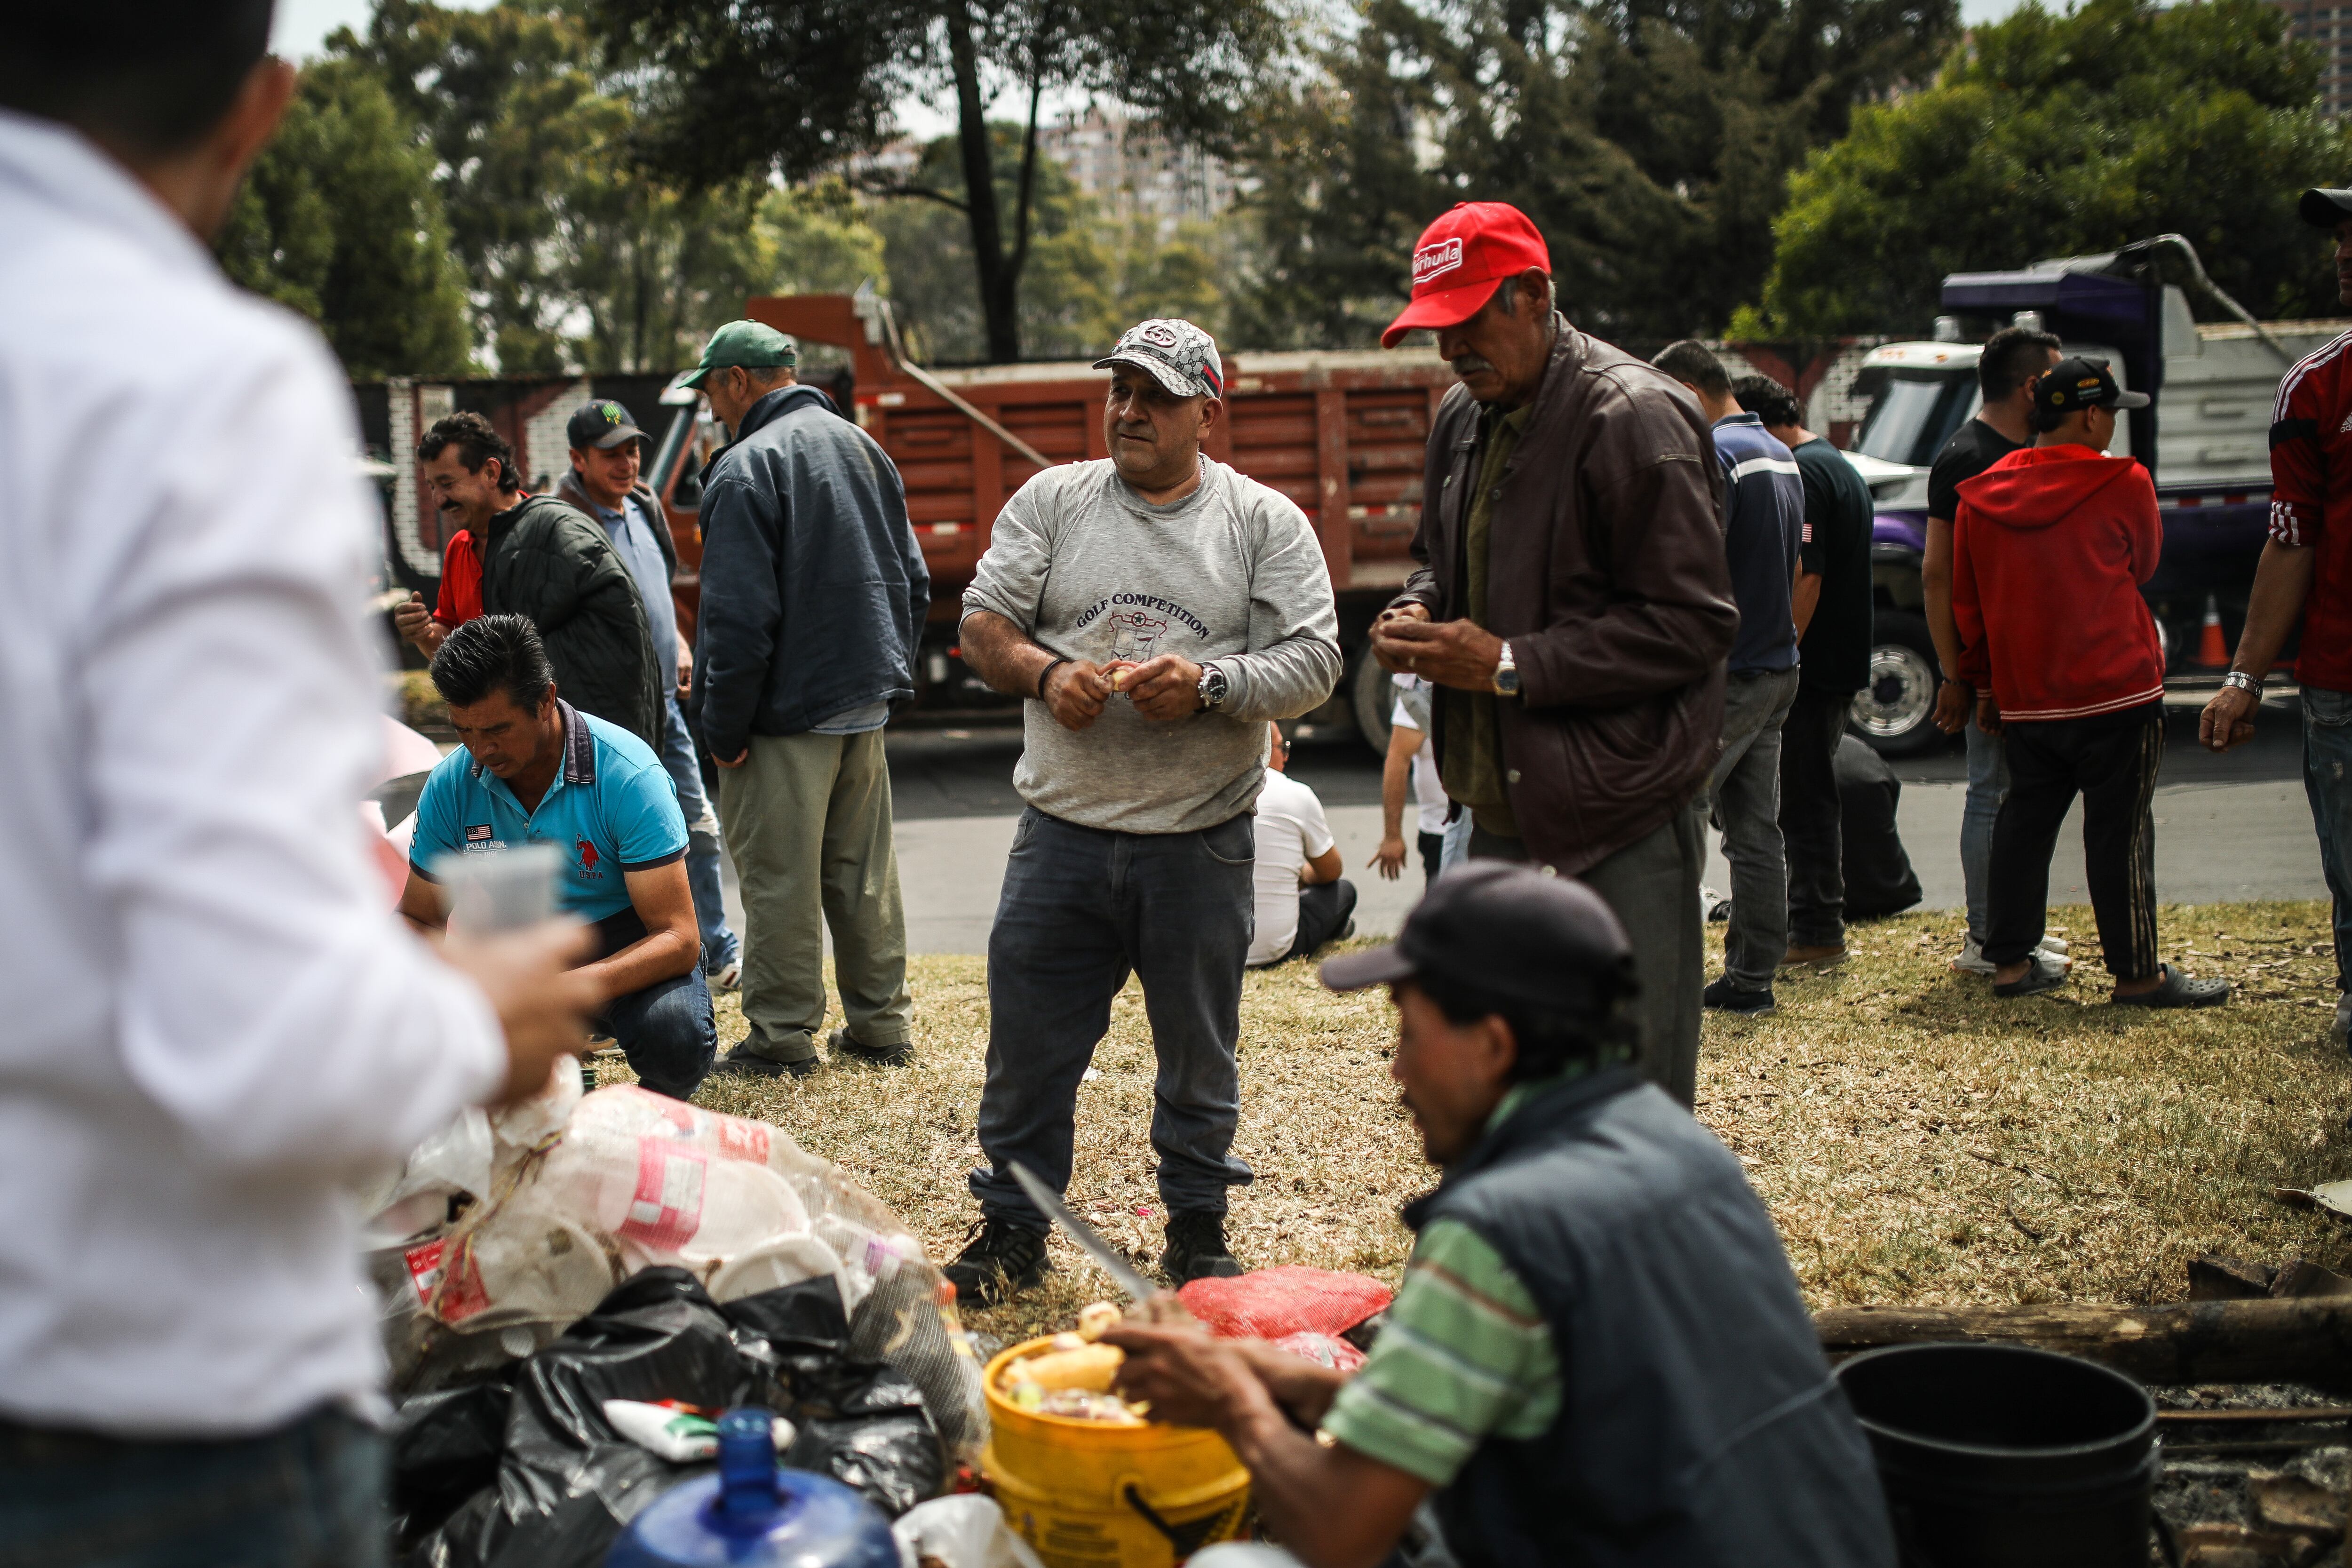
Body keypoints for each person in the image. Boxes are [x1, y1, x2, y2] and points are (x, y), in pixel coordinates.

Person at [0, 9, 595, 1561]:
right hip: (130, 1406)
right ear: (261, 112)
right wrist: (481, 1022)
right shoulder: (181, 378)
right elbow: (250, 1033)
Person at [1105, 864, 1897, 1568]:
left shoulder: (1498, 1230)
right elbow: (1527, 1403)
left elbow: (1341, 1533)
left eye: (1410, 1034)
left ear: (1492, 1045)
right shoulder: (1680, 1149)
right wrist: (1276, 1376)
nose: (1398, 1072)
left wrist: (1229, 1399)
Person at [950, 317, 1342, 1302]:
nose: (1128, 409)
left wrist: (1211, 682)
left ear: (1208, 413)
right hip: (1062, 837)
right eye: (1119, 389)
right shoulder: (1052, 499)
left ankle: (1197, 1231)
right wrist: (1045, 675)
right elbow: (981, 623)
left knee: (1199, 1055)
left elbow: (1316, 662)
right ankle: (1011, 1228)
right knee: (1030, 1052)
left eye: (1155, 395)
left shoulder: (1262, 523)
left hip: (1199, 841)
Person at [1367, 202, 1736, 1107]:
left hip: (1618, 807)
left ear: (1533, 296)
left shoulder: (1635, 415)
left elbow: (1693, 623)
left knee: (1631, 1080)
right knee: (1501, 1066)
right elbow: (1442, 560)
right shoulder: (1464, 414)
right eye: (1435, 330)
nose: (1450, 349)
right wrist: (1418, 608)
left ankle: (1630, 1248)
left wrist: (1508, 662)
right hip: (1495, 805)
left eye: (1467, 322)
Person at [689, 321, 930, 1078]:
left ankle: (782, 1039)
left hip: (784, 713)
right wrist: (886, 670)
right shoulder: (865, 448)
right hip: (864, 699)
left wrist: (721, 727)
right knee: (863, 872)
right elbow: (914, 582)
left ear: (736, 380)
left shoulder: (742, 469)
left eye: (710, 390)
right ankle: (880, 1027)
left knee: (780, 877)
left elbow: (735, 623)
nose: (712, 407)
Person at [1954, 357, 2228, 1007]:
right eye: (2111, 414)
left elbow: (1971, 604)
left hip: (2028, 696)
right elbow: (2147, 562)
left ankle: (2011, 966)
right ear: (2093, 414)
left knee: (2023, 825)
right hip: (2117, 691)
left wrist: (1984, 686)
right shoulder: (2124, 480)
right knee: (2121, 834)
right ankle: (2138, 975)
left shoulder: (1981, 493)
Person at [401, 615, 720, 1094]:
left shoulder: (628, 774)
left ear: (546, 699)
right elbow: (418, 919)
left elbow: (676, 936)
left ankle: (630, 1113)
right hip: (509, 947)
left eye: (497, 729)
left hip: (623, 940)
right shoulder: (451, 783)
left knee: (674, 1037)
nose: (480, 749)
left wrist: (573, 988)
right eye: (463, 730)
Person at [2202, 186, 2352, 1046]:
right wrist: (2242, 677)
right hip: (2340, 678)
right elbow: (2291, 540)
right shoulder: (2314, 389)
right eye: (2339, 238)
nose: (2344, 253)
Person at [553, 398, 743, 990]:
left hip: (666, 705)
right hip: (604, 718)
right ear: (577, 459)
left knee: (698, 825)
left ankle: (713, 949)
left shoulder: (643, 508)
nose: (627, 462)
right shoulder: (560, 523)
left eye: (633, 449)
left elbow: (657, 593)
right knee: (612, 846)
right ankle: (636, 961)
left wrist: (680, 644)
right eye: (611, 454)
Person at [1654, 342, 1804, 1017]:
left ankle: (1674, 976)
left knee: (1674, 817)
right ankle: (1751, 976)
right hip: (1777, 664)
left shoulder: (1716, 458)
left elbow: (1692, 569)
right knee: (1755, 830)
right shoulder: (1778, 451)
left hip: (1730, 674)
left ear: (1690, 389)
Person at [1923, 324, 2070, 978]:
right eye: (2057, 380)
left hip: (2018, 663)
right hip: (1988, 667)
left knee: (2016, 795)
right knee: (1990, 791)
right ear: (2031, 386)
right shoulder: (1970, 456)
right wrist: (1957, 674)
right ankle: (1987, 938)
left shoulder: (2014, 447)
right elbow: (1938, 573)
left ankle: (2013, 930)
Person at [404, 410, 667, 748]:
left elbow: (611, 648)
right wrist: (424, 634)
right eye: (432, 487)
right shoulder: (460, 549)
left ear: (490, 471)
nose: (439, 500)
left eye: (448, 484)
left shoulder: (549, 533)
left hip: (573, 746)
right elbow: (469, 664)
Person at [1735, 372, 1877, 965]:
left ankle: (1817, 930)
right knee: (1803, 793)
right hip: (1831, 661)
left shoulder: (1806, 472)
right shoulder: (1830, 462)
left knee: (1803, 799)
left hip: (1810, 666)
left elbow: (1807, 577)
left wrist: (1779, 651)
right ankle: (1812, 923)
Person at [1250, 723, 1357, 966]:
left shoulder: (1213, 793)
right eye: (1281, 748)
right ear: (1266, 750)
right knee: (1344, 890)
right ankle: (1336, 928)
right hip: (1277, 949)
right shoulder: (1297, 794)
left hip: (1216, 950)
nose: (1285, 756)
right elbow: (1331, 871)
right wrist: (1300, 875)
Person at [1372, 674, 1452, 887]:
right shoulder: (1420, 692)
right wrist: (1392, 836)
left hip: (1483, 829)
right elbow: (1398, 761)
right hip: (1440, 831)